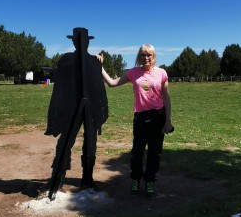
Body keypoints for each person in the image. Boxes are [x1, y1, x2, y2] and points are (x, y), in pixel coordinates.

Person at [101, 44, 173, 198]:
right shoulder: (133, 72)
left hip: (158, 118)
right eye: (143, 55)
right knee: (137, 153)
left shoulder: (162, 73)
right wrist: (100, 67)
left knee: (155, 153)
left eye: (149, 55)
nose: (146, 58)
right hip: (140, 120)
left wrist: (168, 121)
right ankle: (135, 180)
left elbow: (166, 98)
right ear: (139, 57)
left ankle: (150, 182)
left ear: (153, 56)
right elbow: (112, 83)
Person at [45, 28, 108, 192]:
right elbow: (60, 88)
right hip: (71, 110)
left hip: (89, 110)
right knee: (65, 143)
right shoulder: (67, 60)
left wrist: (99, 112)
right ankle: (58, 179)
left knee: (89, 144)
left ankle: (87, 178)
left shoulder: (94, 62)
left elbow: (98, 89)